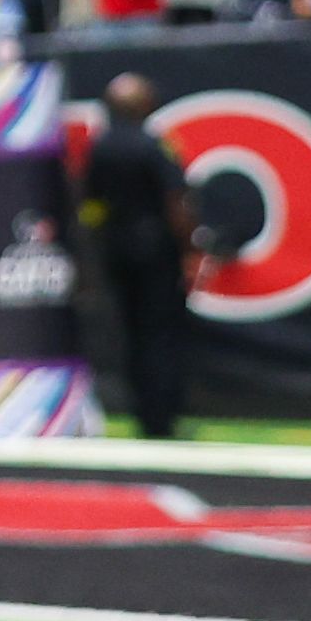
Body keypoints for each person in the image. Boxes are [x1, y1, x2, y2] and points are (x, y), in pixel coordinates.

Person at [71, 72, 196, 440]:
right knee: (159, 332)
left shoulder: (100, 146)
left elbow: (90, 203)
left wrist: (95, 246)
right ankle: (161, 418)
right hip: (155, 250)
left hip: (115, 248)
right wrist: (190, 247)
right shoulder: (154, 145)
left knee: (130, 331)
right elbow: (177, 201)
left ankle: (142, 410)